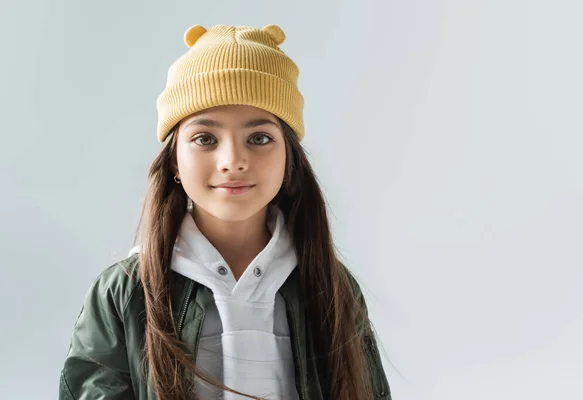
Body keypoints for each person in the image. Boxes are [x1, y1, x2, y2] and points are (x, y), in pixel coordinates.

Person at [58, 23, 391, 400]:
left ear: (290, 160)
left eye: (259, 138)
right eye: (205, 139)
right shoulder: (124, 293)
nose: (233, 160)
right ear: (173, 162)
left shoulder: (330, 286)